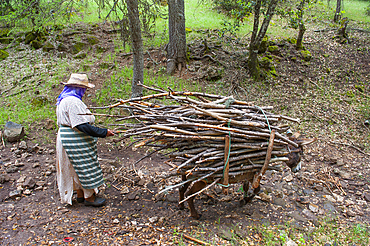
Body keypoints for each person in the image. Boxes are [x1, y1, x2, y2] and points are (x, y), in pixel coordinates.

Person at [55, 73, 114, 207]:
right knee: (84, 166)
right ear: (79, 88)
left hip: (67, 138)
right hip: (74, 139)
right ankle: (89, 197)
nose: (85, 92)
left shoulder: (63, 100)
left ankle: (80, 194)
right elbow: (81, 125)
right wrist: (103, 132)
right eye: (84, 89)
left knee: (74, 167)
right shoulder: (73, 102)